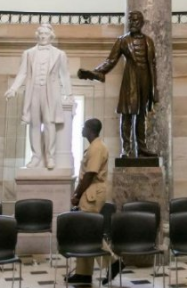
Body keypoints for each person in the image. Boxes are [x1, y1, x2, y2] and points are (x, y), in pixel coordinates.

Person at [78, 11, 157, 158]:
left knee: (141, 115)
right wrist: (95, 73)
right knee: (126, 114)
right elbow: (111, 61)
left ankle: (142, 147)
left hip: (145, 81)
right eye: (130, 20)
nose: (133, 23)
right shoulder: (122, 41)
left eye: (135, 20)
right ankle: (126, 149)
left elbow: (152, 65)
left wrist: (154, 88)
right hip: (130, 81)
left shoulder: (148, 41)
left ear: (142, 23)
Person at [5, 23, 73, 170]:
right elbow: (22, 72)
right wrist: (13, 88)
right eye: (41, 33)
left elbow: (65, 75)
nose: (43, 36)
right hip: (33, 90)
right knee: (34, 124)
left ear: (51, 36)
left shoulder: (59, 54)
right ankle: (36, 157)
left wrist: (69, 93)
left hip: (51, 92)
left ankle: (50, 156)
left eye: (46, 34)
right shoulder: (28, 53)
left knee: (49, 123)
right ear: (37, 35)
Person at [68, 118, 110, 285]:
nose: (82, 129)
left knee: (89, 231)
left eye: (84, 126)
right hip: (90, 190)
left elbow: (90, 174)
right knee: (84, 232)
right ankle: (83, 273)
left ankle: (113, 263)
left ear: (91, 130)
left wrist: (77, 194)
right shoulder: (94, 147)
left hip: (93, 191)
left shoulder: (97, 148)